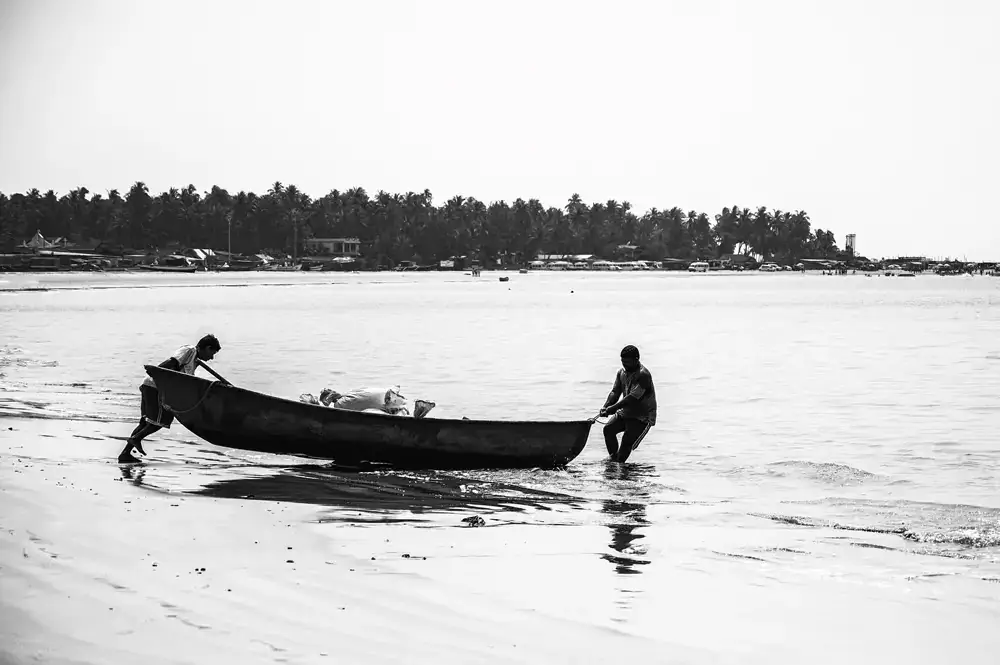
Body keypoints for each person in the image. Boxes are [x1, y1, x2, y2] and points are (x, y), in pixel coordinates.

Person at [117, 334, 223, 463]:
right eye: (212, 353)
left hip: (151, 386)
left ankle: (125, 454)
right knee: (163, 420)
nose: (211, 357)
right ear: (207, 347)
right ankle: (136, 439)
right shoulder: (189, 351)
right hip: (156, 387)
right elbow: (168, 364)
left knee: (145, 423)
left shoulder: (195, 360)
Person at [599, 345, 656, 463]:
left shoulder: (643, 375)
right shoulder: (621, 372)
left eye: (628, 362)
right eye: (623, 362)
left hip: (642, 416)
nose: (625, 365)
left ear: (637, 359)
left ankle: (619, 464)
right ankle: (613, 460)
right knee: (608, 430)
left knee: (626, 442)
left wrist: (612, 409)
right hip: (626, 412)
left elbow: (632, 398)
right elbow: (615, 392)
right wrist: (605, 406)